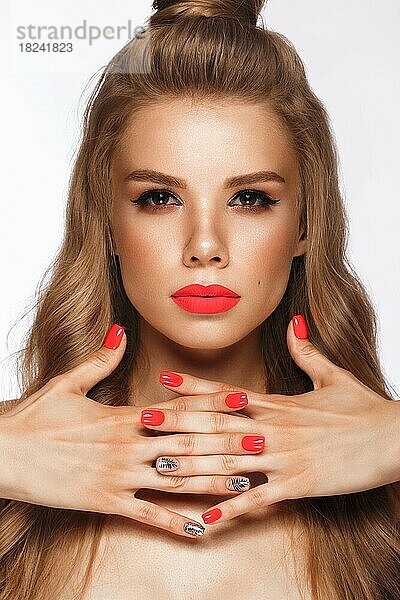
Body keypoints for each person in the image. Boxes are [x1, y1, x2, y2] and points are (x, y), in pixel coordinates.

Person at [1, 0, 399, 598]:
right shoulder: (15, 475)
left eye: (252, 199)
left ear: (305, 225)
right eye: (159, 197)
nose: (205, 246)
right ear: (104, 223)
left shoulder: (385, 485)